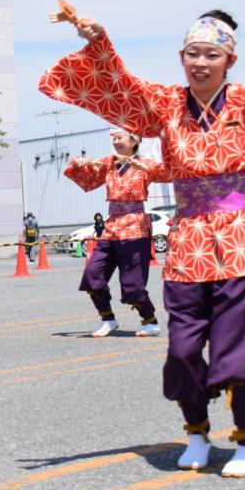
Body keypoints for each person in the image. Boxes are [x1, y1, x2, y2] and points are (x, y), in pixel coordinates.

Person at [40, 0, 245, 478]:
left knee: (236, 348)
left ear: (229, 58)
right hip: (188, 239)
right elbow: (122, 86)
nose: (200, 62)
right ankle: (195, 431)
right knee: (183, 349)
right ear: (181, 57)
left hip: (240, 240)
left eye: (211, 54)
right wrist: (100, 39)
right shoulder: (165, 106)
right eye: (192, 53)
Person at [64, 130, 166, 338]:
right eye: (115, 139)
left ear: (134, 141)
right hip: (111, 228)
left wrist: (144, 167)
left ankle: (150, 321)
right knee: (93, 274)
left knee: (132, 283)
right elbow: (89, 181)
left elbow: (169, 173)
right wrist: (80, 164)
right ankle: (108, 319)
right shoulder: (109, 162)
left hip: (135, 226)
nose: (116, 142)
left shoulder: (144, 163)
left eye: (121, 138)